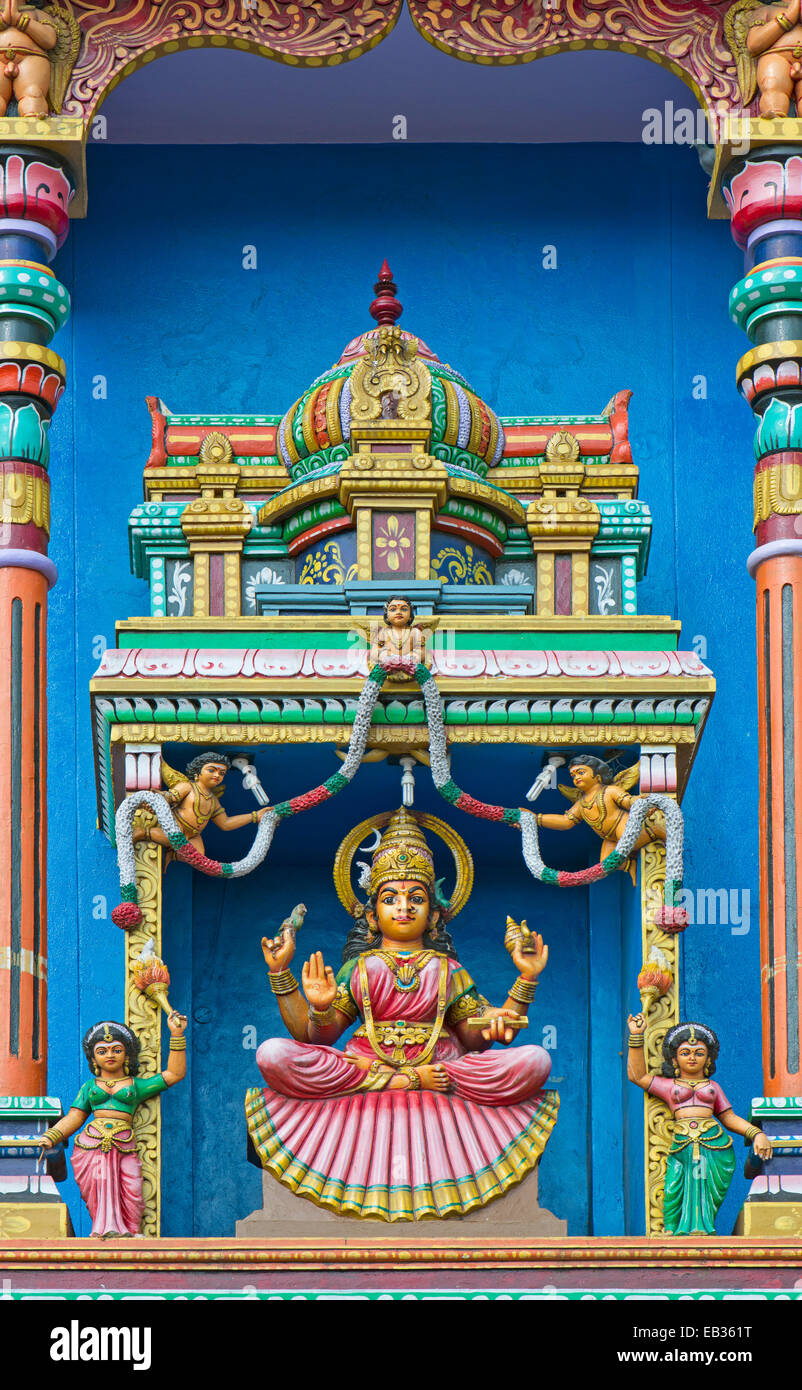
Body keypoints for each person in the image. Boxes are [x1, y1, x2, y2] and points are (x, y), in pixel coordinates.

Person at [247, 808, 558, 1220]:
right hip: (364, 1066)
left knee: (535, 1060)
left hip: (443, 1068)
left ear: (433, 914)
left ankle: (399, 1081)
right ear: (372, 915)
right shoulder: (359, 968)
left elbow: (479, 1035)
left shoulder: (448, 969)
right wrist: (288, 980)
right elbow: (315, 1038)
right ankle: (397, 1080)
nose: (404, 908)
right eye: (390, 899)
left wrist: (525, 982)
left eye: (416, 899)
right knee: (272, 1053)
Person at [38, 1014, 188, 1238]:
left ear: (127, 1054)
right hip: (92, 1145)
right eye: (102, 1051)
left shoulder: (135, 1086)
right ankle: (103, 1230)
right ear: (93, 1057)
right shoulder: (90, 1087)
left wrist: (177, 1035)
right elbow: (76, 1117)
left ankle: (129, 1231)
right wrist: (52, 1135)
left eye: (116, 1050)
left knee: (132, 1189)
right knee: (99, 1186)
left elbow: (174, 1074)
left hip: (124, 1144)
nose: (109, 1055)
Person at [626, 1014, 772, 1235]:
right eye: (685, 1053)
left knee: (704, 1190)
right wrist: (636, 1037)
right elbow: (636, 1076)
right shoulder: (669, 1086)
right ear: (674, 1059)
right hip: (683, 1144)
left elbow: (728, 1118)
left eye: (699, 1053)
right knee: (674, 1188)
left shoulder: (712, 1087)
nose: (692, 1058)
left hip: (713, 1146)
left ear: (709, 1059)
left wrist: (756, 1133)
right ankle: (674, 1229)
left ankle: (701, 1230)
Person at [534, 755, 664, 883]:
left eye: (581, 772)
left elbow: (627, 801)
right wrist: (536, 819)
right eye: (573, 775)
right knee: (607, 863)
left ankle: (655, 831)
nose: (576, 777)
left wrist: (640, 803)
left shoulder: (610, 791)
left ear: (597, 776)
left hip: (621, 825)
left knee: (628, 839)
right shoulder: (581, 803)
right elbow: (565, 821)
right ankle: (630, 865)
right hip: (609, 837)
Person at [132, 752, 270, 855]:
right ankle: (143, 832)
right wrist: (161, 797)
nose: (217, 775)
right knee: (173, 837)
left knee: (199, 855)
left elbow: (225, 823)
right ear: (197, 773)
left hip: (193, 835)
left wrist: (255, 816)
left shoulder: (213, 800)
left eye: (222, 773)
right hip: (176, 828)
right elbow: (171, 796)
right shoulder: (187, 786)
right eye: (212, 770)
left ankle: (172, 854)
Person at [0, 2, 57, 118]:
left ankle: (34, 126)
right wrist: (4, 20)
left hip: (30, 59)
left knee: (33, 94)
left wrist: (19, 19)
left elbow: (49, 40)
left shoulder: (38, 14)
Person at [369, 595, 427, 675]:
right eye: (393, 609)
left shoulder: (415, 632)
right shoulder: (383, 632)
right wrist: (386, 654)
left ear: (410, 616)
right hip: (388, 663)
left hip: (409, 663)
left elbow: (422, 652)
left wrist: (411, 656)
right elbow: (375, 652)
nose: (398, 612)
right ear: (387, 616)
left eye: (404, 609)